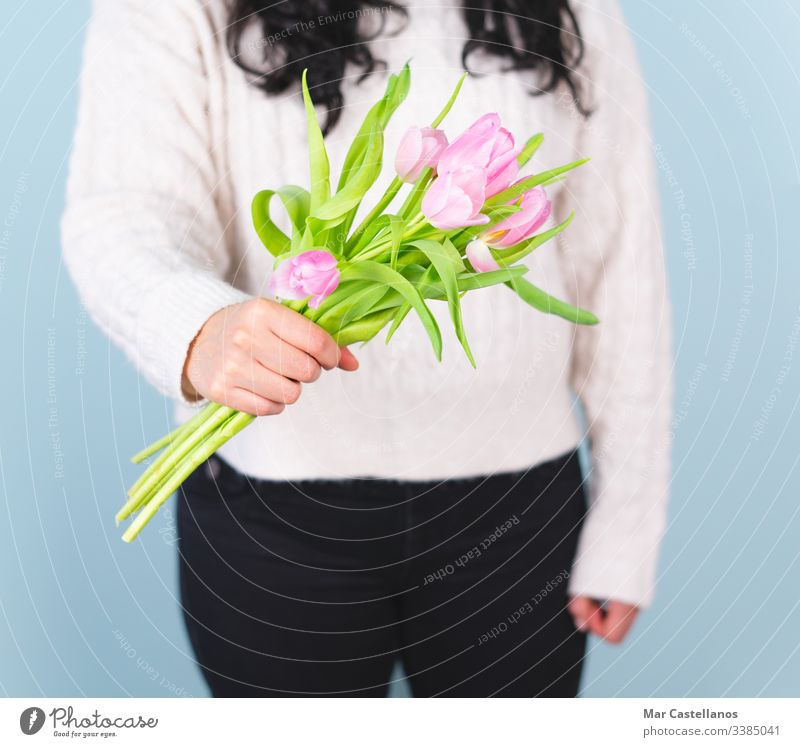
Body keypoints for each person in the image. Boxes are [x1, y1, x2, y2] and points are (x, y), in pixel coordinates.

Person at [62, 0, 672, 697]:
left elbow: (623, 275)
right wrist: (199, 328)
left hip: (520, 518)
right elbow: (125, 210)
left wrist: (629, 521)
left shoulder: (576, 11)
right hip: (267, 512)